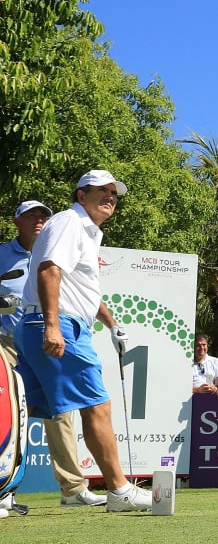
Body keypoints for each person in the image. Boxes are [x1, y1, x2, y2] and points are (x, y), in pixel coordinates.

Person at [12, 170, 153, 511]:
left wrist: (111, 323)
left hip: (43, 323)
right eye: (101, 191)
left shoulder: (86, 231)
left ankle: (5, 491)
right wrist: (52, 325)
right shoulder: (69, 222)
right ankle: (120, 490)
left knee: (20, 411)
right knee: (97, 406)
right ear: (81, 195)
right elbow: (49, 270)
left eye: (113, 193)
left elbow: (81, 288)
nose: (110, 197)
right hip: (58, 324)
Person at [0, 200, 104, 510]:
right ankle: (5, 488)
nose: (38, 220)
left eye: (43, 216)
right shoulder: (2, 254)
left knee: (61, 412)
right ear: (16, 221)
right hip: (5, 342)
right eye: (31, 215)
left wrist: (111, 324)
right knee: (10, 414)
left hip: (44, 341)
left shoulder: (59, 247)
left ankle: (72, 489)